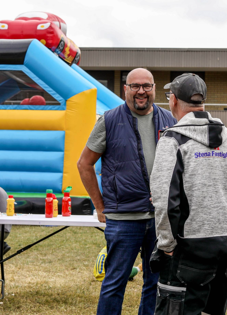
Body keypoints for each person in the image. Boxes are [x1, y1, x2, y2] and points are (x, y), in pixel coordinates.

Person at [77, 68, 176, 315]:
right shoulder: (109, 120)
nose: (141, 91)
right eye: (135, 86)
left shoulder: (170, 121)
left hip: (159, 219)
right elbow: (84, 164)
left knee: (156, 283)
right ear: (125, 89)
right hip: (123, 219)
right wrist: (100, 206)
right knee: (114, 283)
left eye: (146, 86)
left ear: (154, 88)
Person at [150, 73, 227, 315]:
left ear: (173, 101)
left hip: (190, 246)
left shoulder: (173, 140)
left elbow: (163, 199)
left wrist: (166, 244)